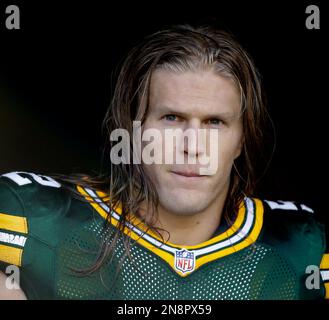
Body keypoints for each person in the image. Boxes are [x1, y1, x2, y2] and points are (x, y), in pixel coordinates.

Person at [0, 24, 328, 300]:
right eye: (171, 118)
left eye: (215, 122)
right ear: (131, 128)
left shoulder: (301, 246)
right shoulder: (33, 217)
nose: (193, 147)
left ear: (242, 139)